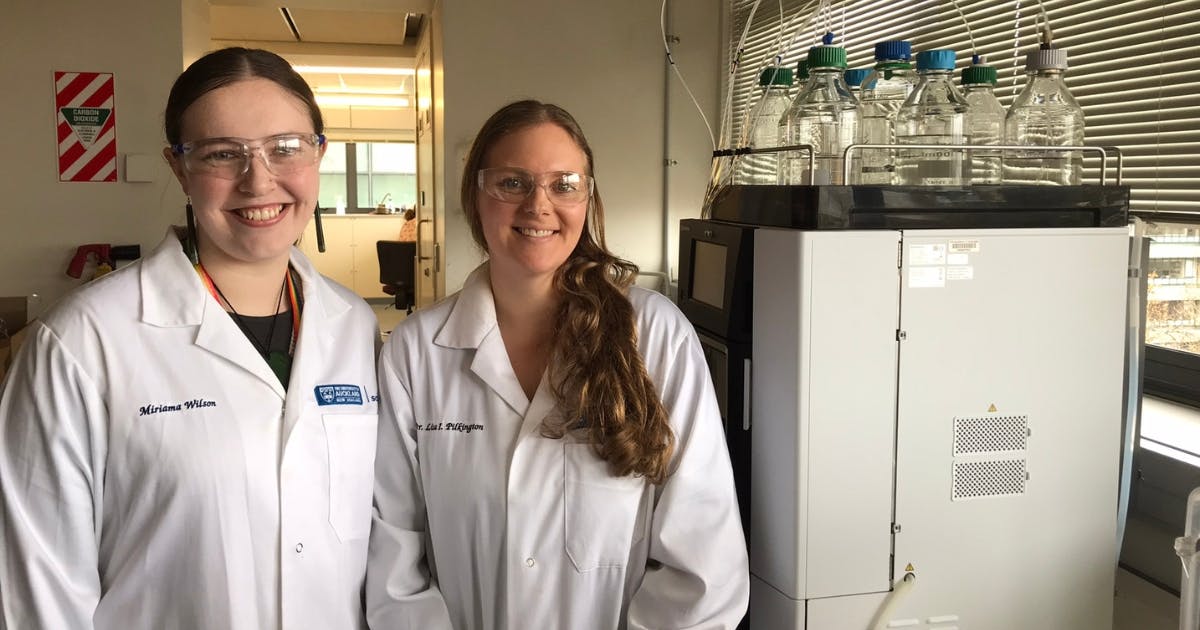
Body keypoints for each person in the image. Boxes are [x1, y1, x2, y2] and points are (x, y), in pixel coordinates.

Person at [0, 48, 380, 629]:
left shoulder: (355, 327)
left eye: (285, 148)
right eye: (222, 154)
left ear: (319, 153)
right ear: (179, 168)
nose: (259, 180)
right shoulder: (82, 342)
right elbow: (40, 590)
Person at [366, 100, 748, 629]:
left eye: (564, 184)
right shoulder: (415, 353)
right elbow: (394, 561)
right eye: (511, 183)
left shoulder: (655, 336)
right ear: (474, 198)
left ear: (587, 199)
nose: (539, 206)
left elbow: (704, 564)